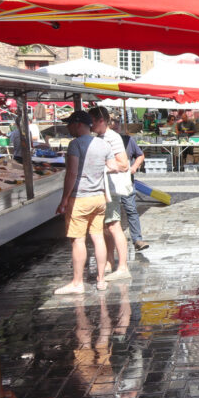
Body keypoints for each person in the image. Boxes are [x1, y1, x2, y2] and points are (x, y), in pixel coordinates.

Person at [54, 111, 117, 295]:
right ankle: (101, 280)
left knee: (78, 240)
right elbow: (113, 167)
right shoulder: (103, 144)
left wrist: (64, 199)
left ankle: (77, 282)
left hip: (80, 198)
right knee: (98, 237)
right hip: (99, 198)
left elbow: (72, 173)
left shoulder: (75, 145)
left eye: (70, 124)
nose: (68, 128)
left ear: (78, 124)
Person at [87, 106, 132, 282]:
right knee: (108, 227)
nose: (89, 125)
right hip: (105, 189)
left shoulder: (112, 138)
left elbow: (123, 164)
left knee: (114, 226)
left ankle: (122, 266)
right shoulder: (101, 137)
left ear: (101, 121)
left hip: (111, 190)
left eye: (91, 121)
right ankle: (110, 262)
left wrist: (101, 167)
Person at [111, 118, 149, 251]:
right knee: (111, 213)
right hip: (109, 182)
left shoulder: (128, 140)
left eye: (116, 127)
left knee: (131, 209)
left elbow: (140, 155)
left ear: (120, 127)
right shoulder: (103, 141)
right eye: (112, 128)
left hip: (126, 180)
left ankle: (137, 239)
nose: (115, 130)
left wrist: (134, 167)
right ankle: (113, 240)